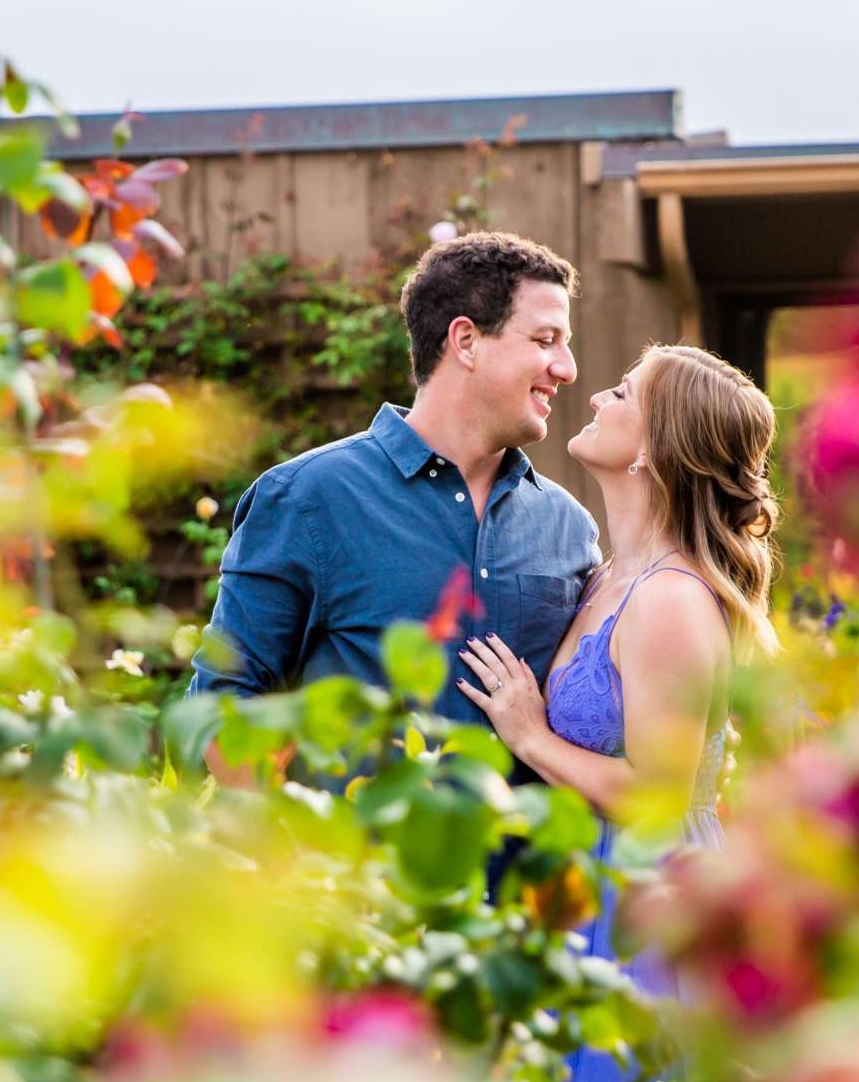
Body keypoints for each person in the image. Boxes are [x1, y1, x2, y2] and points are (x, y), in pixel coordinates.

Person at [453, 343, 780, 1082]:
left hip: (646, 909)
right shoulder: (608, 577)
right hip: (590, 890)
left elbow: (661, 798)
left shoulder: (671, 599)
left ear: (654, 448)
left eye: (626, 391)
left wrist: (527, 733)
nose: (597, 392)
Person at [187, 231, 601, 766]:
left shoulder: (568, 527)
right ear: (466, 341)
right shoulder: (307, 499)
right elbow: (221, 709)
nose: (567, 368)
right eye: (546, 341)